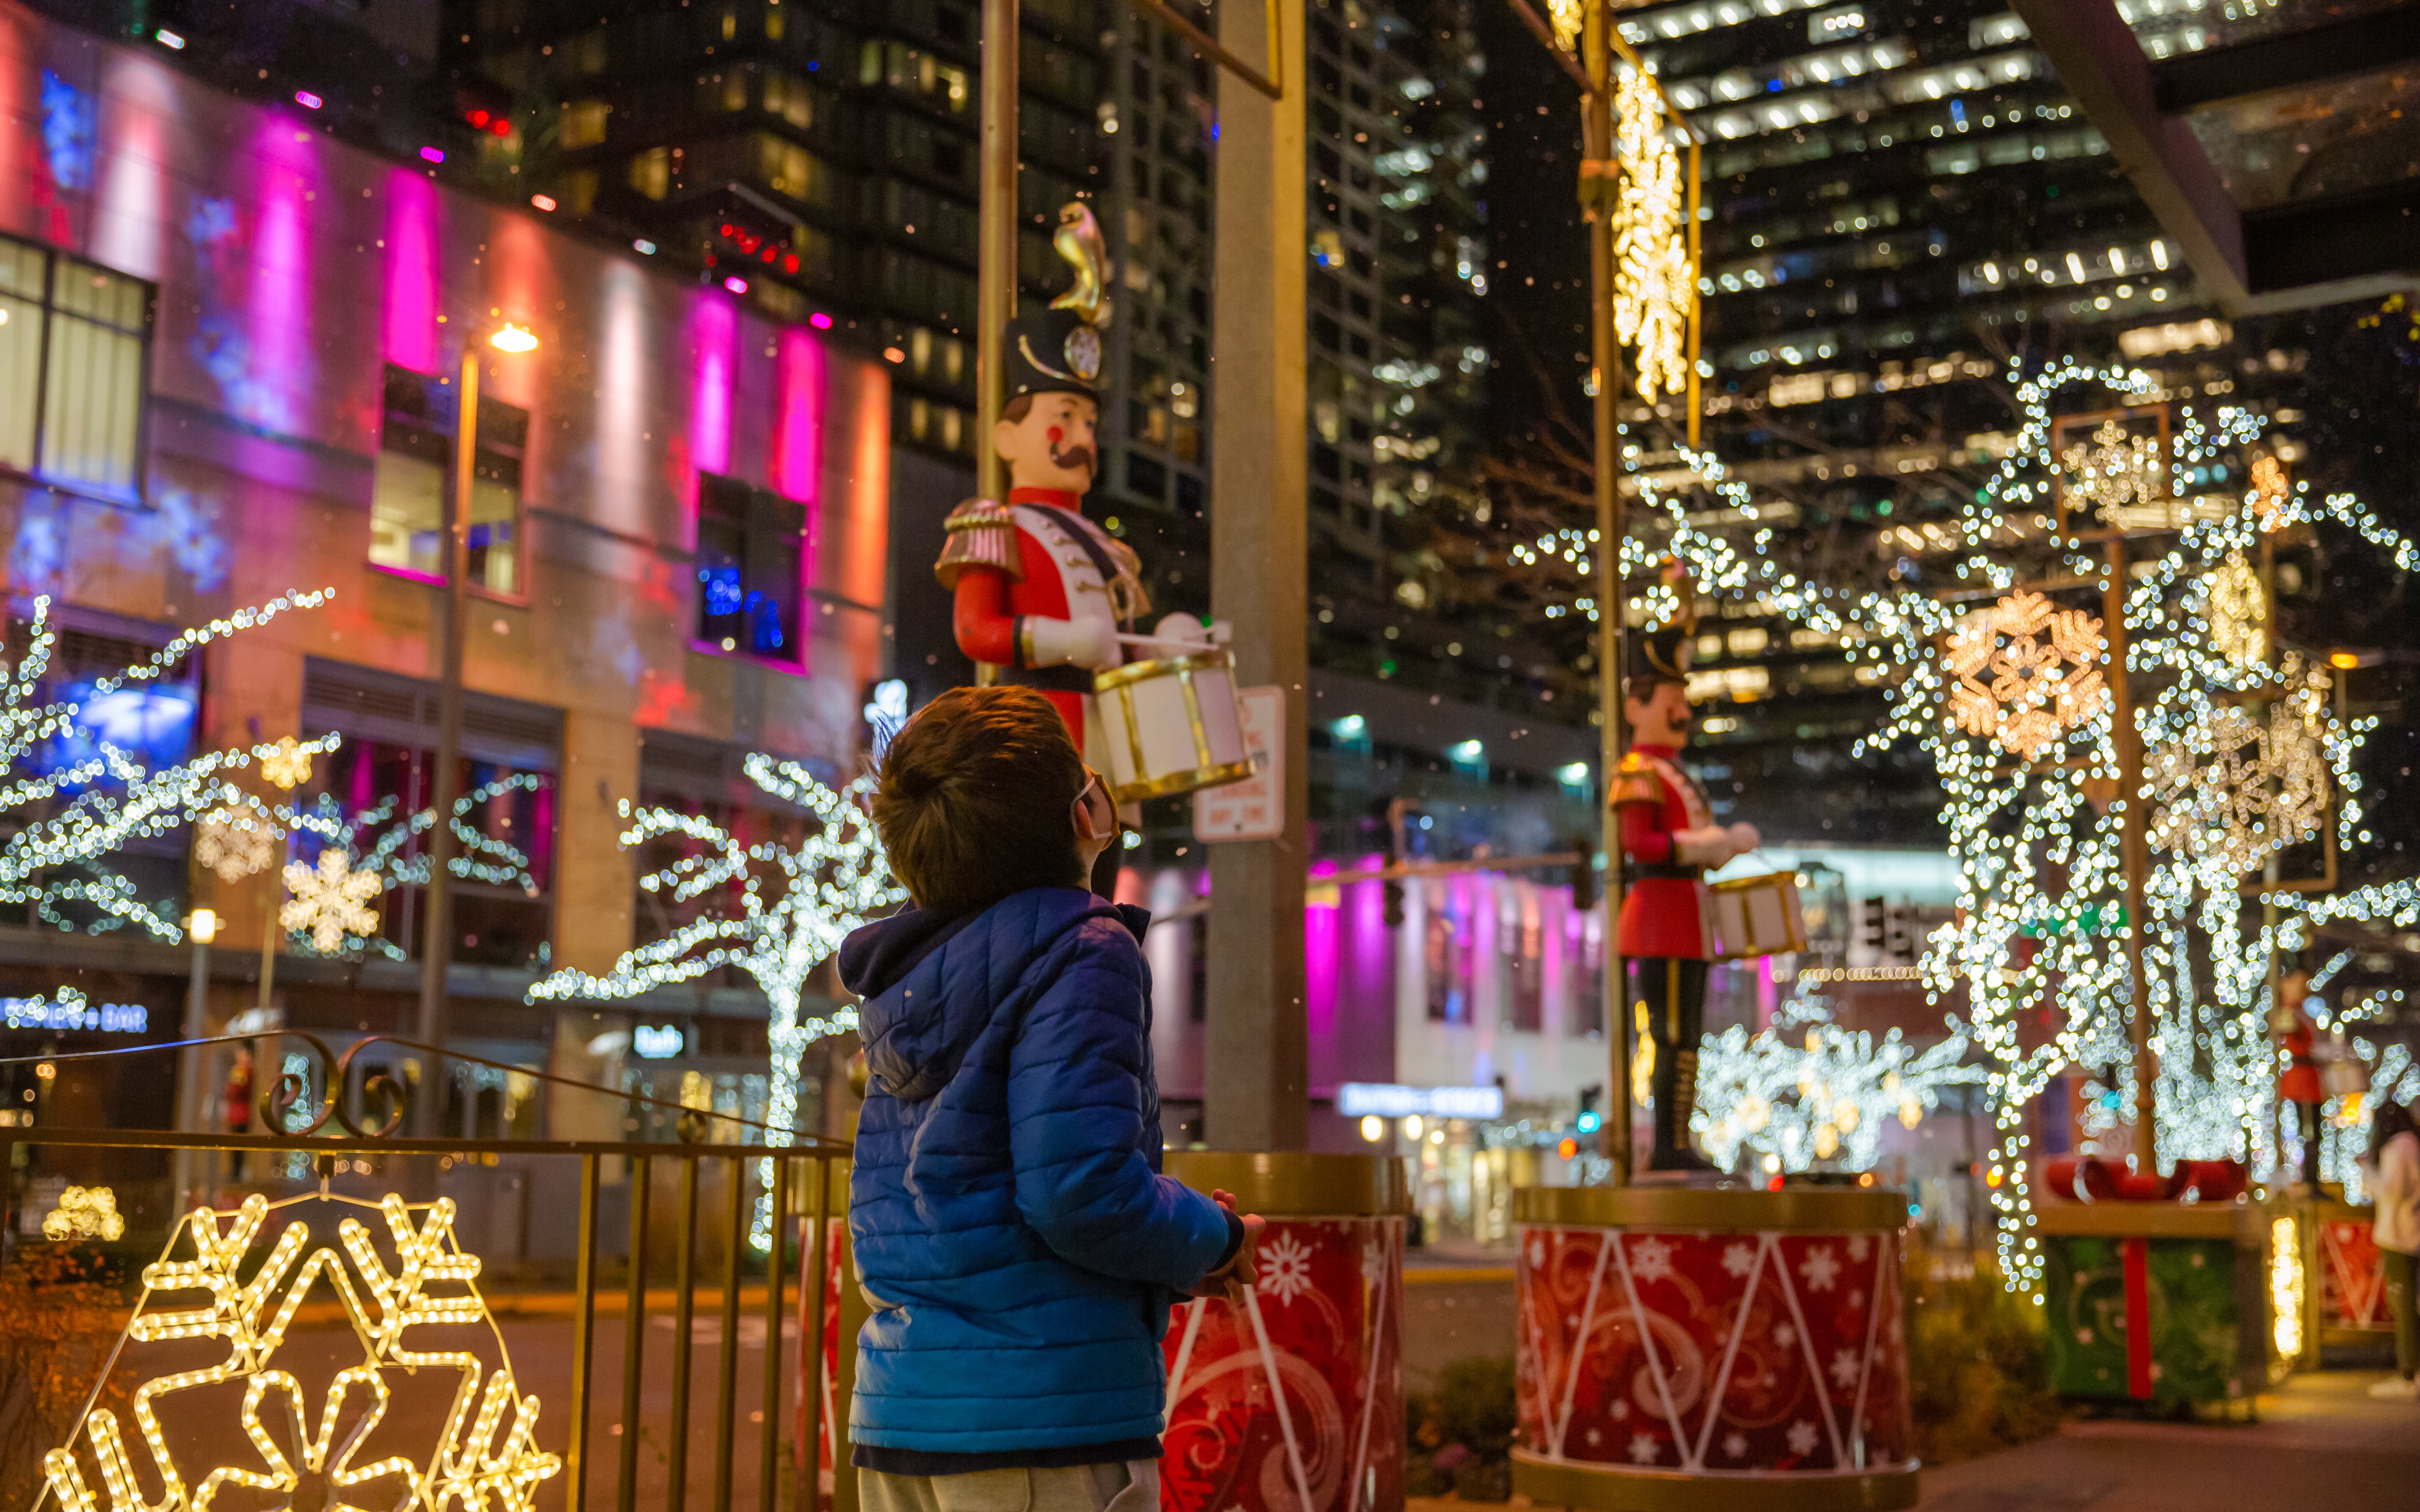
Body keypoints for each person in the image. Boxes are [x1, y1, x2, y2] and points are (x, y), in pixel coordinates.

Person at [842, 685, 1261, 1510]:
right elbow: (1077, 1192)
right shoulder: (1083, 947)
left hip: (902, 1417)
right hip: (1041, 1425)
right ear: (1084, 810)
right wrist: (1211, 1237)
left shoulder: (910, 973)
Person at [1610, 618, 1758, 1172]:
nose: (1683, 712)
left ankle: (1677, 1140)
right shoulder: (1638, 772)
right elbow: (1640, 844)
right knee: (1672, 1034)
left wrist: (1721, 848)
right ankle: (1668, 1146)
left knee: (1688, 1036)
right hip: (1662, 917)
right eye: (1673, 698)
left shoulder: (1672, 772)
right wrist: (1710, 843)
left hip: (1687, 915)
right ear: (1637, 706)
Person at [2361, 1099, 2419, 1399]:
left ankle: (2409, 1373)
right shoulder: (2413, 1143)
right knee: (2409, 1304)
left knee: (2404, 1305)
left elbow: (2392, 1191)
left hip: (2400, 1236)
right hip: (2410, 1234)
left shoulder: (2399, 1148)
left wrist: (2368, 1172)